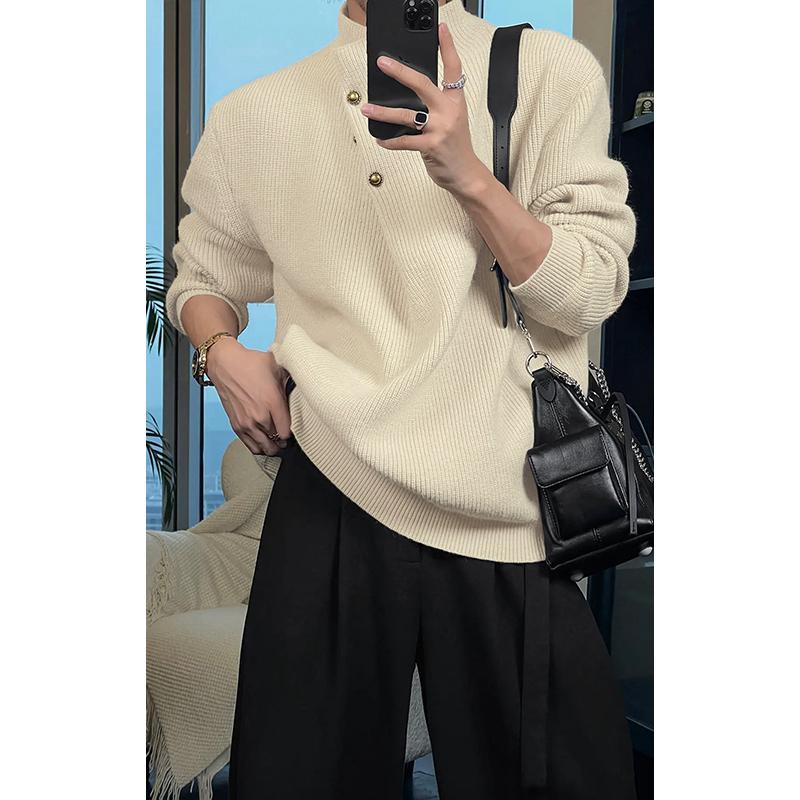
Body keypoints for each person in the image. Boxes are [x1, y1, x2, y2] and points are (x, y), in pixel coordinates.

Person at [165, 1, 638, 797]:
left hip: (505, 500)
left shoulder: (548, 72)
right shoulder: (256, 113)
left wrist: (469, 175)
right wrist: (221, 352)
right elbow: (204, 276)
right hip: (331, 484)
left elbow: (587, 291)